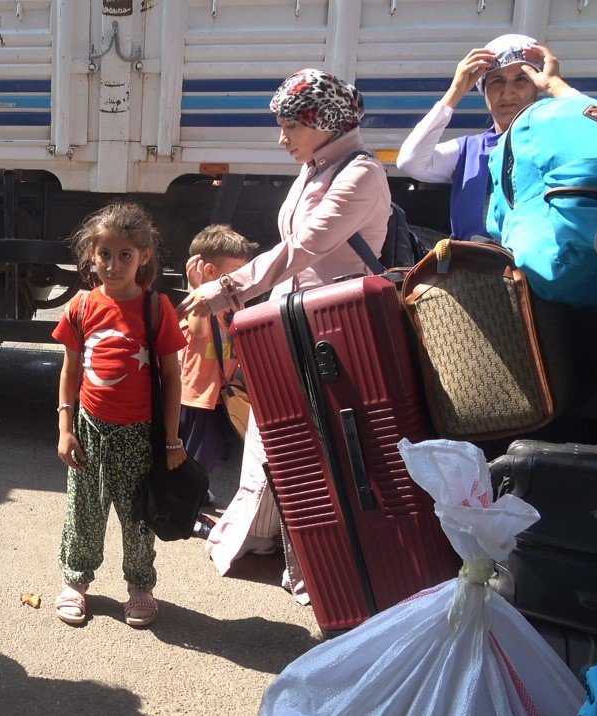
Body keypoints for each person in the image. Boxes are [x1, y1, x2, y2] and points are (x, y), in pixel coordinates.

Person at [178, 68, 391, 592]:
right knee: (272, 430)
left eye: (291, 126)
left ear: (323, 121)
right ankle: (266, 540)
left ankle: (319, 566)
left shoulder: (360, 173)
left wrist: (227, 290)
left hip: (331, 328)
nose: (283, 139)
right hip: (291, 319)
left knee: (311, 442)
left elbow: (305, 247)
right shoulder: (320, 167)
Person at [50, 202, 188, 628]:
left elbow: (171, 377)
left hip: (139, 435)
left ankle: (140, 586)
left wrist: (171, 439)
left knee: (137, 514)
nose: (113, 265)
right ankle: (76, 581)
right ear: (91, 255)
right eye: (104, 254)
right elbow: (71, 371)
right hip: (90, 430)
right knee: (84, 511)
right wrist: (64, 428)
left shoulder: (155, 309)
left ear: (143, 256)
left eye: (124, 255)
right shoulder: (80, 307)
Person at [396, 34, 576, 240]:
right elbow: (410, 162)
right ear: (484, 90)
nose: (507, 93)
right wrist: (455, 92)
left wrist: (556, 86)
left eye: (521, 80)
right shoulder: (469, 150)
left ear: (537, 86)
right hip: (472, 269)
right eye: (497, 82)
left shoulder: (555, 144)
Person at [179, 225, 258, 478]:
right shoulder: (199, 304)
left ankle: (195, 492)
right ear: (211, 271)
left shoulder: (233, 302)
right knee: (200, 453)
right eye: (236, 272)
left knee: (218, 448)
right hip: (198, 396)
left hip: (222, 394)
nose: (242, 278)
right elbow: (199, 331)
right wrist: (197, 289)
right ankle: (186, 500)